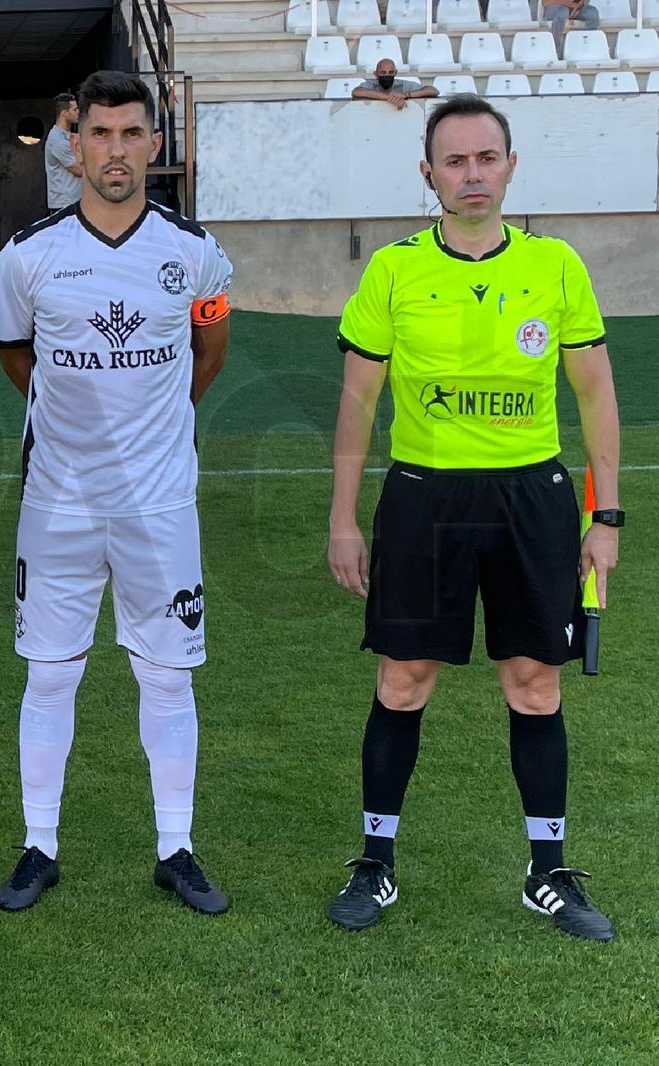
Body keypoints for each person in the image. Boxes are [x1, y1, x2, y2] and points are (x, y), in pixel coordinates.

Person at [327, 95, 621, 941]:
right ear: (429, 175)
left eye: (486, 158)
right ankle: (375, 863)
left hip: (534, 496)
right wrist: (344, 519)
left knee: (535, 683)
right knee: (404, 679)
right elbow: (358, 401)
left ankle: (547, 872)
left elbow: (596, 394)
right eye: (454, 162)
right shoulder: (394, 271)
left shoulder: (555, 266)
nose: (472, 175)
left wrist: (606, 517)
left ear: (511, 166)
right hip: (425, 496)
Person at [0, 70, 234, 916]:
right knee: (50, 674)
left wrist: (158, 427)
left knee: (167, 679)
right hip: (58, 503)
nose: (117, 150)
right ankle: (39, 846)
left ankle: (176, 849)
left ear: (154, 145)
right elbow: (15, 354)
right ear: (75, 145)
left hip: (158, 505)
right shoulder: (28, 254)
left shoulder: (194, 251)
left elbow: (210, 348)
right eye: (101, 134)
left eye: (132, 134)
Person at [44, 92, 82, 211]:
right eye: (75, 109)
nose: (78, 112)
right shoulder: (57, 140)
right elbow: (80, 170)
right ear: (64, 113)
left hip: (74, 200)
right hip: (64, 204)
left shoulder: (68, 137)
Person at [352, 59, 438, 110]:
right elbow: (356, 92)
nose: (387, 75)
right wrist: (389, 98)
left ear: (395, 73)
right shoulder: (371, 84)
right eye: (383, 73)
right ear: (376, 74)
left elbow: (433, 91)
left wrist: (406, 95)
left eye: (390, 72)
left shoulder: (402, 85)